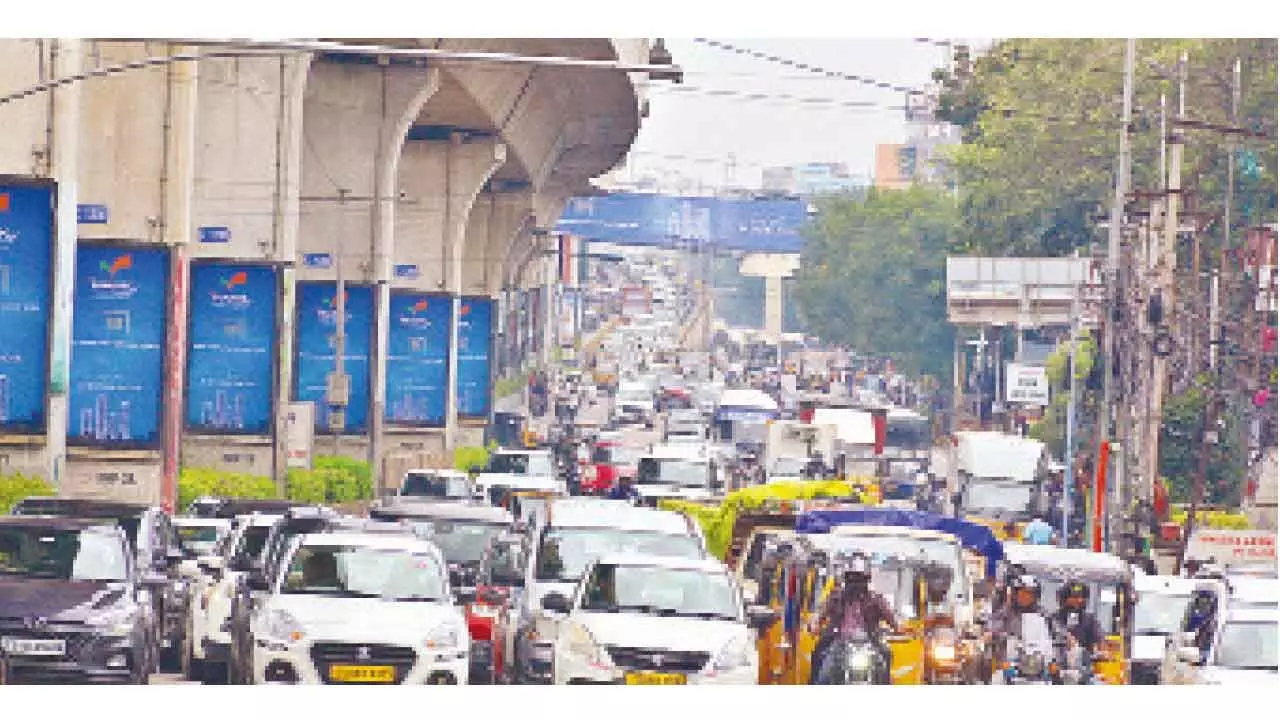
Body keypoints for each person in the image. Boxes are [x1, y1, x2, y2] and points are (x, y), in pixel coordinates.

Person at [809, 553, 900, 684]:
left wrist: (898, 628)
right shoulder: (836, 596)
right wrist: (815, 623)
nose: (856, 583)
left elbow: (892, 619)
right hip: (839, 643)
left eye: (859, 579)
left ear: (866, 580)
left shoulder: (876, 599)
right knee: (821, 663)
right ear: (846, 580)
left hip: (870, 643)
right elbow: (820, 612)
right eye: (851, 578)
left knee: (886, 655)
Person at [1050, 580, 1105, 678]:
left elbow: (1099, 639)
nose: (1079, 600)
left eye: (1082, 597)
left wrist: (1100, 651)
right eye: (1074, 597)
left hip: (1082, 670)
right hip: (1057, 669)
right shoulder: (1052, 619)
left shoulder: (1090, 620)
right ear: (1063, 598)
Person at [1180, 587, 1219, 664]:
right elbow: (1186, 625)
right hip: (1193, 643)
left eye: (1206, 599)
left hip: (1205, 644)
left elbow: (1213, 628)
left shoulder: (1213, 612)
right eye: (1202, 599)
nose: (1204, 601)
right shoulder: (1192, 609)